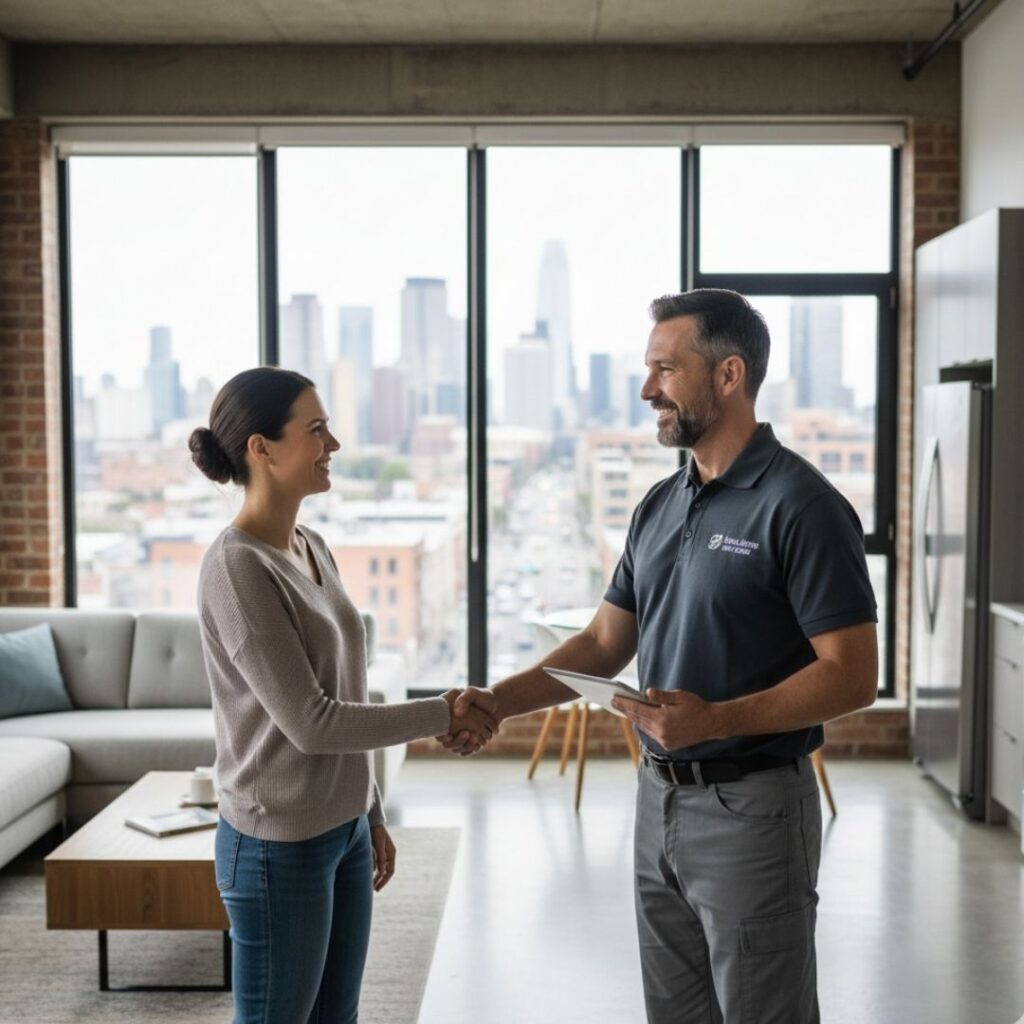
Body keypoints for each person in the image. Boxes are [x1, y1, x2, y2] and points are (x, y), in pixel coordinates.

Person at [446, 289, 878, 1023]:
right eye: (648, 370)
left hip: (753, 811)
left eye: (666, 370)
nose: (648, 389)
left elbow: (854, 676)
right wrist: (496, 702)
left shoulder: (802, 505)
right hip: (657, 801)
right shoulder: (659, 503)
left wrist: (716, 720)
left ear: (729, 375)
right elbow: (603, 643)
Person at [189, 367, 494, 1024]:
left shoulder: (312, 546)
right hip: (278, 844)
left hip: (345, 831)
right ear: (261, 449)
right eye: (316, 429)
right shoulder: (237, 568)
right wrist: (442, 712)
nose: (333, 444)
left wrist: (370, 810)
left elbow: (343, 688)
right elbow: (311, 721)